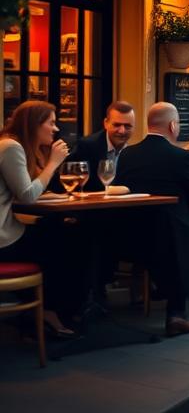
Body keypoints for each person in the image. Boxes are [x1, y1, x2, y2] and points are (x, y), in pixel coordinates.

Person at [116, 102, 189, 337]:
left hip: (129, 233)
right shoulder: (180, 156)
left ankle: (150, 290)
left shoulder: (127, 154)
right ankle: (176, 314)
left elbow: (117, 189)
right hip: (170, 234)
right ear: (173, 125)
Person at [0, 101, 87, 338]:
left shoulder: (13, 146)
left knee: (62, 233)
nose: (55, 128)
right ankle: (53, 311)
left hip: (9, 232)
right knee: (68, 243)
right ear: (34, 125)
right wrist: (53, 163)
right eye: (51, 122)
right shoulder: (10, 147)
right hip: (3, 241)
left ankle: (48, 310)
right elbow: (28, 196)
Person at [69, 101, 135, 192]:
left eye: (127, 126)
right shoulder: (86, 146)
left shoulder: (134, 153)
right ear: (106, 123)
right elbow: (71, 184)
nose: (122, 131)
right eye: (117, 125)